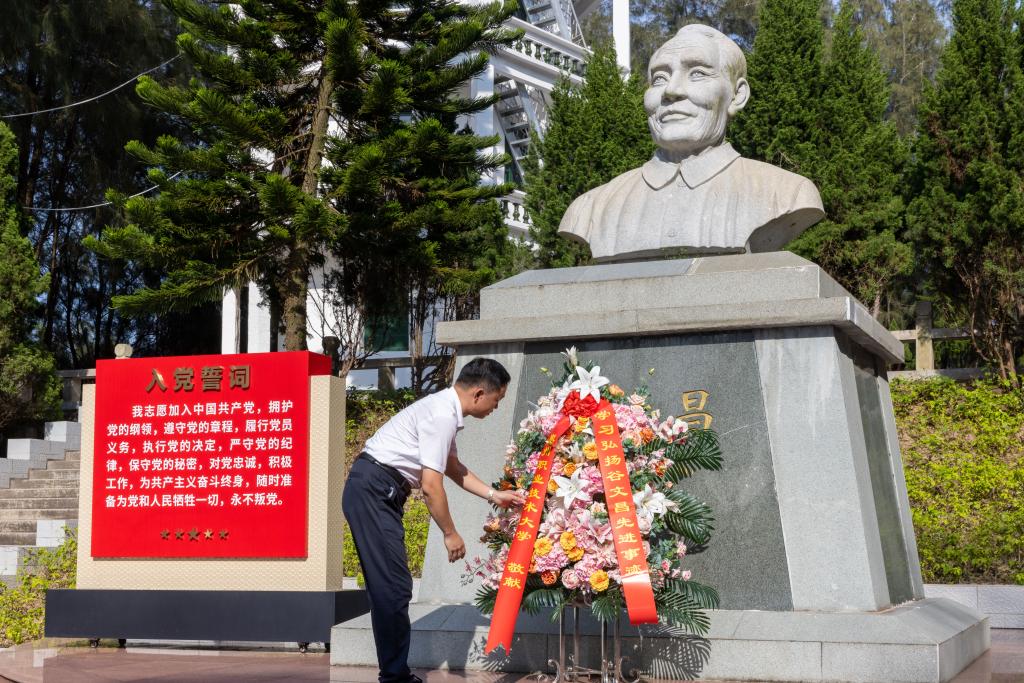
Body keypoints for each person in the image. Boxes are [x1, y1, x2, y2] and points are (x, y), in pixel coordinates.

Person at [558, 24, 824, 262]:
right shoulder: (591, 209)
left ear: (737, 96)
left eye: (697, 74)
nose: (671, 90)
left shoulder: (787, 194)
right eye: (659, 78)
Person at [342, 357, 525, 683]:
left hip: (377, 490)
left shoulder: (444, 409)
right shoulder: (442, 415)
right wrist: (450, 533)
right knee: (392, 589)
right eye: (497, 400)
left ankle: (394, 674)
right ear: (479, 393)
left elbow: (453, 467)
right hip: (374, 491)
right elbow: (430, 486)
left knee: (391, 588)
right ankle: (395, 677)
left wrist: (494, 495)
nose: (496, 408)